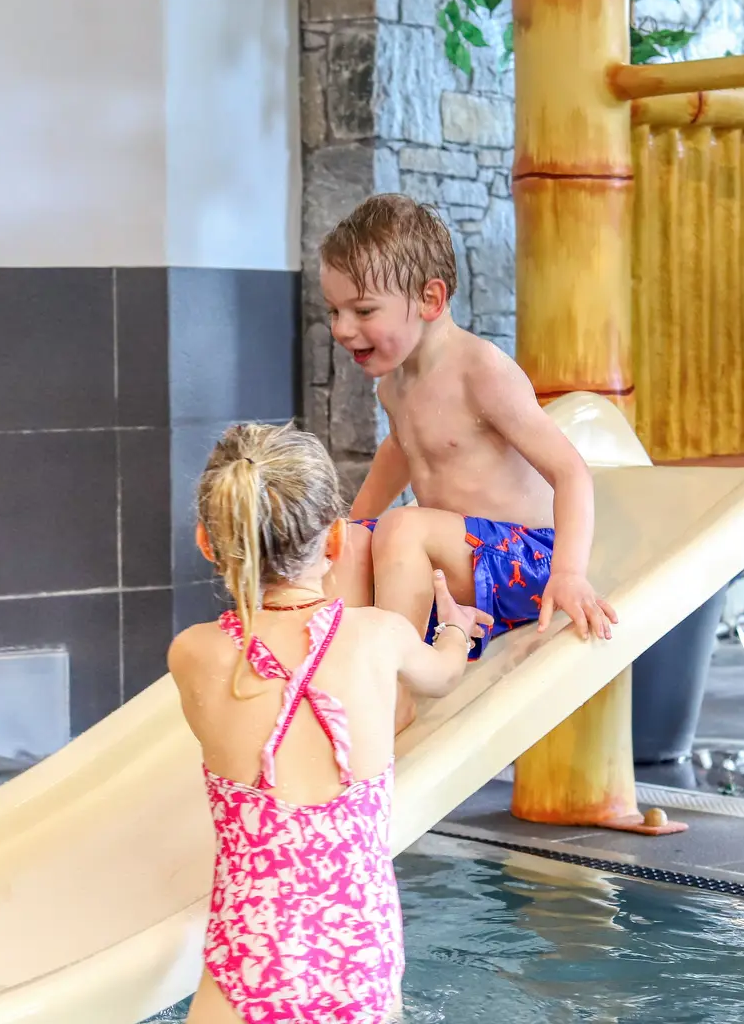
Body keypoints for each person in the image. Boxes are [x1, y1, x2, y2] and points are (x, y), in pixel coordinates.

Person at [167, 422, 491, 1024]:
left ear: (208, 544)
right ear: (338, 539)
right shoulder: (381, 636)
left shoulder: (194, 654)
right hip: (361, 956)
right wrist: (454, 627)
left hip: (249, 959)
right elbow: (445, 675)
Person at [318, 194, 618, 719]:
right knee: (348, 544)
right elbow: (401, 450)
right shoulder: (394, 386)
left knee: (404, 527)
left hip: (526, 566)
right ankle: (330, 681)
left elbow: (570, 471)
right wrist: (352, 526)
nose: (342, 328)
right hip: (459, 570)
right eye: (334, 311)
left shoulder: (480, 372)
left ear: (430, 299)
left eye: (362, 310)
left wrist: (568, 572)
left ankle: (397, 698)